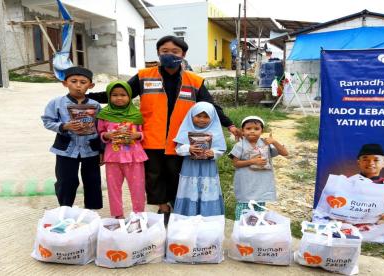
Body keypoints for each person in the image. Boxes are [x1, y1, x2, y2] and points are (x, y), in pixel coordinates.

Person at [88, 35, 241, 222]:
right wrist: (86, 96)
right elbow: (119, 93)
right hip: (150, 137)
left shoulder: (194, 81)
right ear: (158, 53)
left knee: (177, 176)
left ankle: (179, 207)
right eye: (164, 51)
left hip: (180, 139)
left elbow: (211, 105)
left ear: (183, 54)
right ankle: (163, 208)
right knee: (154, 176)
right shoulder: (145, 76)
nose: (169, 55)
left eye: (175, 51)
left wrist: (230, 124)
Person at [41, 67, 102, 209]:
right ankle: (65, 207)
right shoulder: (56, 103)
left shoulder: (96, 105)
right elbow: (47, 121)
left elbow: (101, 127)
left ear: (90, 85)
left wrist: (102, 150)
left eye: (83, 82)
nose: (78, 85)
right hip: (66, 149)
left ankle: (92, 210)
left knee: (92, 180)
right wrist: (64, 126)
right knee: (66, 180)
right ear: (65, 83)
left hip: (90, 149)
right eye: (73, 81)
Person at [96, 80, 148, 218]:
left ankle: (139, 216)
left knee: (137, 188)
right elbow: (99, 133)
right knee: (113, 189)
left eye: (123, 95)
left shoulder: (136, 114)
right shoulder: (104, 114)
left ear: (130, 96)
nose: (119, 98)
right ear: (109, 96)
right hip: (113, 157)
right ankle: (118, 216)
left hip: (134, 157)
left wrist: (138, 135)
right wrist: (106, 135)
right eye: (114, 95)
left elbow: (145, 133)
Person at [229, 116, 288, 220]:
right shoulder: (240, 145)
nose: (252, 131)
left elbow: (285, 153)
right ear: (242, 131)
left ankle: (255, 231)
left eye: (256, 129)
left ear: (262, 131)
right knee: (244, 211)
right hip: (246, 185)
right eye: (248, 128)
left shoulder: (266, 144)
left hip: (261, 185)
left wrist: (274, 142)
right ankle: (241, 231)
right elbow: (235, 163)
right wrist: (252, 161)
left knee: (259, 212)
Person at [172, 102, 226, 216]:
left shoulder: (215, 130)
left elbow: (221, 150)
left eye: (206, 116)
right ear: (191, 116)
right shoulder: (186, 129)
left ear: (212, 117)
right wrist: (188, 148)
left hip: (208, 168)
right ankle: (188, 216)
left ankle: (207, 217)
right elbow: (178, 149)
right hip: (190, 167)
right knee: (190, 189)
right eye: (198, 116)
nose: (202, 119)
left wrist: (213, 153)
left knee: (207, 188)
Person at [352, 143, 384, 224]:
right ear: (358, 163)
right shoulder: (348, 182)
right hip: (350, 223)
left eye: (376, 160)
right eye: (365, 159)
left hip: (378, 225)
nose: (371, 163)